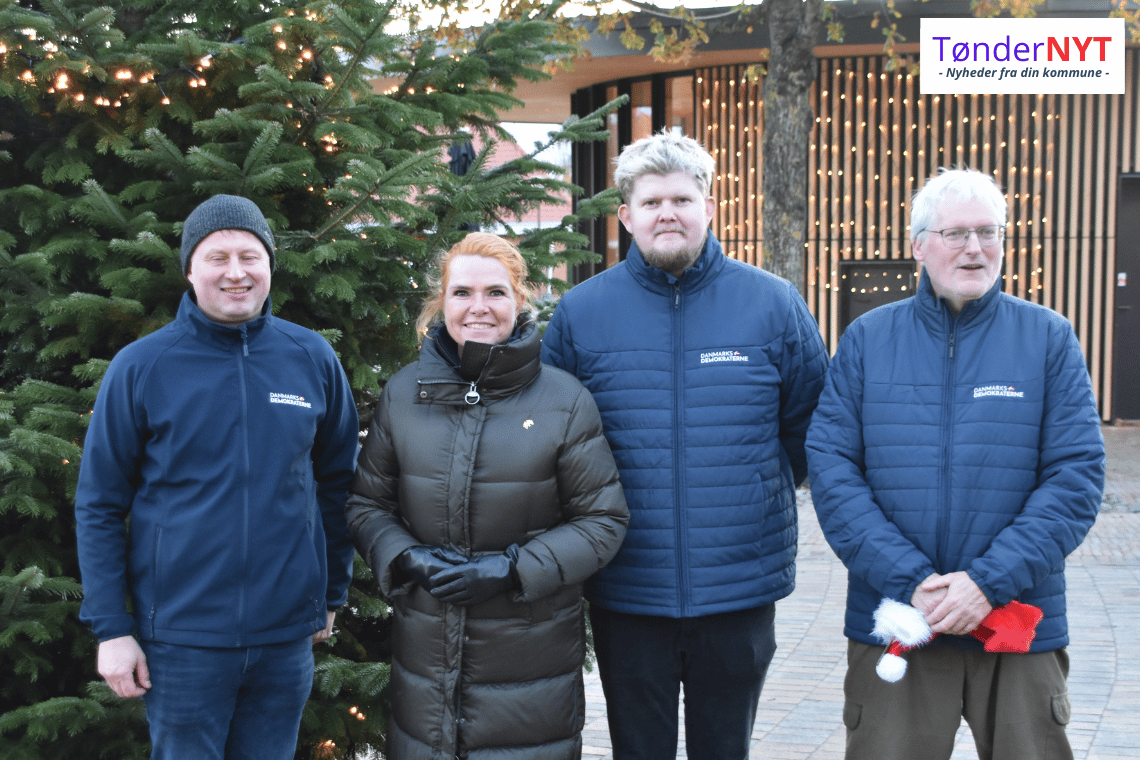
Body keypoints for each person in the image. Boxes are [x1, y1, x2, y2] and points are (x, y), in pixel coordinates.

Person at [540, 131, 829, 760]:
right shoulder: (582, 312)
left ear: (709, 207)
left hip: (738, 587)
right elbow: (552, 438)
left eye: (681, 198)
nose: (666, 213)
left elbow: (810, 424)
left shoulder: (773, 305)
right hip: (626, 586)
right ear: (626, 216)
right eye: (650, 202)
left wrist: (755, 488)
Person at [805, 168, 1105, 760]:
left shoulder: (1048, 339)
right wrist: (912, 580)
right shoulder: (867, 339)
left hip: (1018, 619)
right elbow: (834, 472)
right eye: (956, 233)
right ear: (918, 245)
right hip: (898, 619)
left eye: (988, 232)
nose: (974, 248)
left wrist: (986, 583)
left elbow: (1075, 479)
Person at [75, 194, 359, 760]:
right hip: (181, 642)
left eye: (250, 256)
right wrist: (112, 628)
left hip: (285, 640)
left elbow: (339, 484)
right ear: (189, 269)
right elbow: (100, 504)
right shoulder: (142, 366)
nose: (236, 272)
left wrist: (331, 593)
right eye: (217, 257)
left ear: (270, 264)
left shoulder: (311, 357)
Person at [346, 232, 629, 760]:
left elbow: (602, 522)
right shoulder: (404, 394)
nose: (478, 307)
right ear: (440, 303)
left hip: (531, 669)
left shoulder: (564, 401)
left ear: (520, 301)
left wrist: (512, 570)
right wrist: (408, 557)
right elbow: (367, 505)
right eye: (462, 293)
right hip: (426, 668)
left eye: (496, 292)